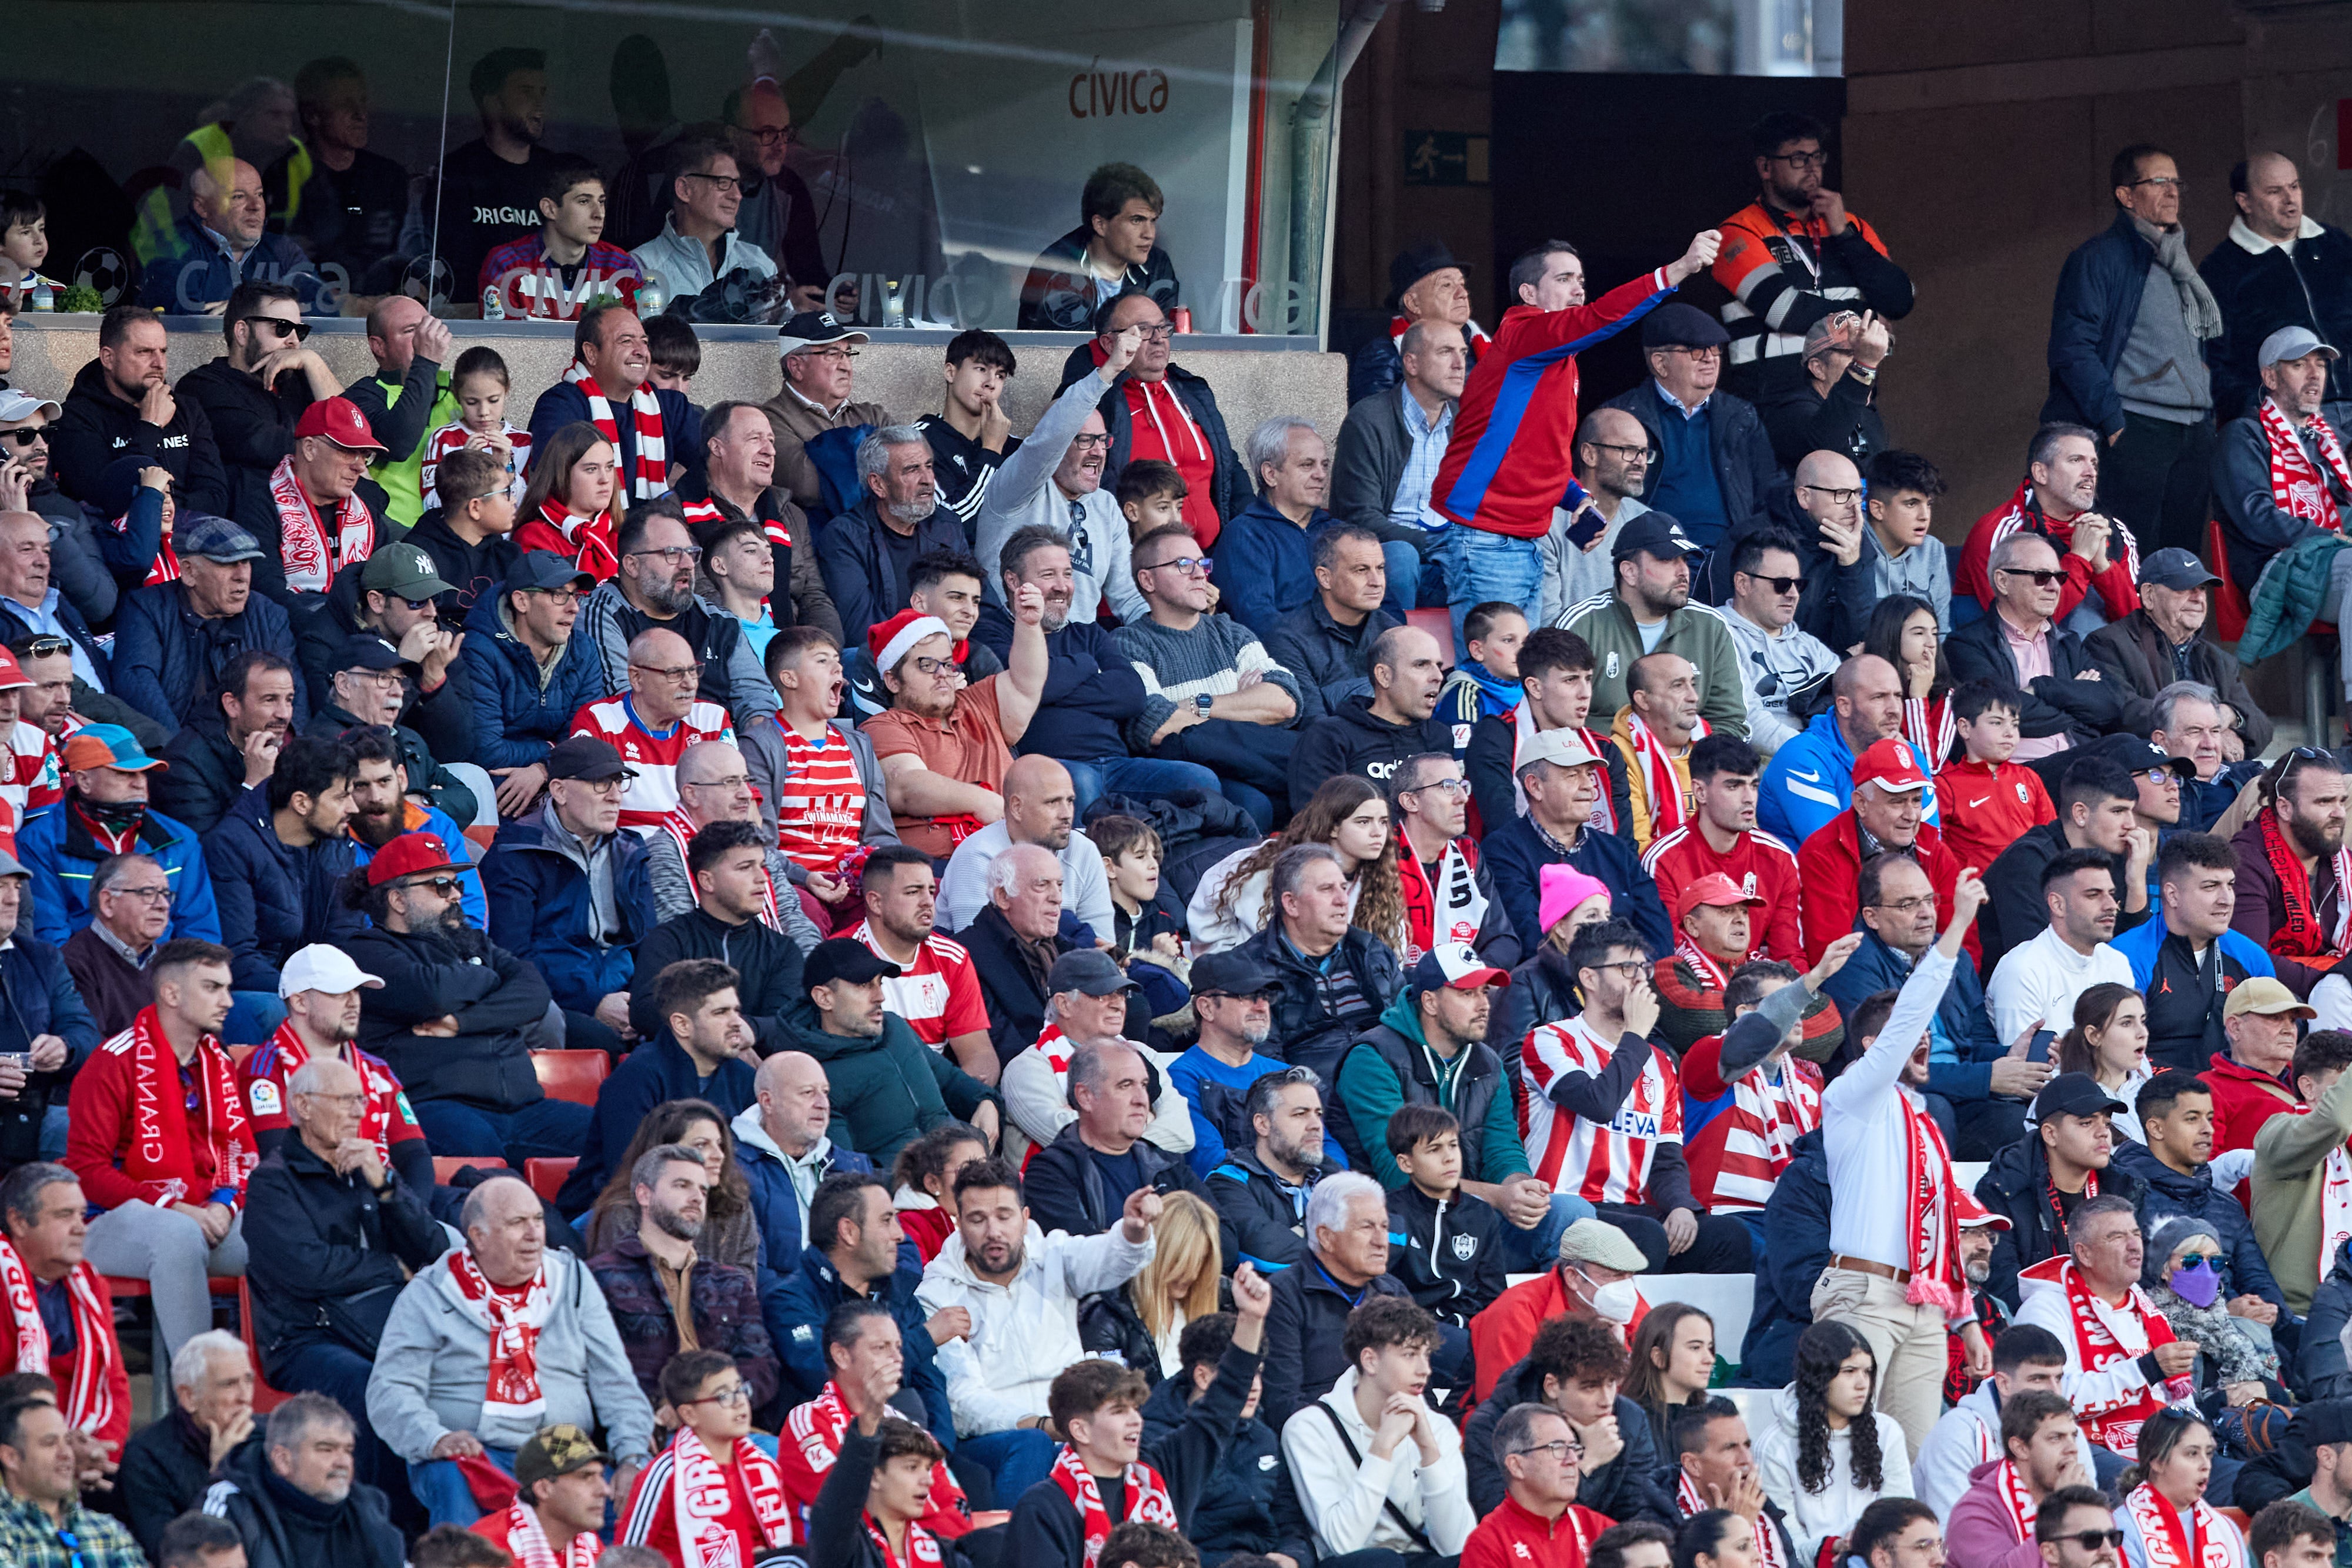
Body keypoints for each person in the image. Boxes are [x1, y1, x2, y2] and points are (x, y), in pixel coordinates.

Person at [1431, 230, 1720, 651]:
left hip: (1519, 536)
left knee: (1520, 673)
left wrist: (1574, 497)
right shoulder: (1523, 334)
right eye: (1564, 278)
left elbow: (1533, 449)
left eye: (1581, 279)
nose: (1578, 288)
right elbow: (1599, 318)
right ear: (1529, 293)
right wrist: (1677, 271)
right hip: (1487, 534)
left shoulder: (1558, 359)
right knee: (1490, 677)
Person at [1816, 866, 1993, 1457]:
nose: (1921, 1044)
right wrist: (1960, 920)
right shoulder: (1854, 1095)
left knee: (1909, 1463)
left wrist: (1963, 1318)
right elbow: (1912, 1015)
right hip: (1862, 1294)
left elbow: (1941, 1228)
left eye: (1923, 1039)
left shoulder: (1924, 1120)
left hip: (1923, 1309)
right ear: (1873, 1049)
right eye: (1907, 1038)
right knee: (1840, 1452)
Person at [366, 1172, 654, 1527]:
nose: (535, 1234)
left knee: (629, 1505)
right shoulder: (431, 1291)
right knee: (454, 1483)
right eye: (518, 1223)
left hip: (559, 1446)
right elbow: (389, 1389)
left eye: (537, 1220)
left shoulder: (573, 1279)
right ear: (478, 1236)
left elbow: (616, 1382)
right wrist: (435, 1438)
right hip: (475, 1449)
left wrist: (631, 1457)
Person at [1000, 1258, 1271, 1568]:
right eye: (1118, 1411)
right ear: (1080, 1430)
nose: (1135, 1420)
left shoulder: (1163, 1470)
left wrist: (1250, 1318)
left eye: (1135, 1409)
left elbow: (1221, 1406)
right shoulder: (1043, 1507)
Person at [916, 1156, 1154, 1501]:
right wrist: (1043, 1425)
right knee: (1034, 1446)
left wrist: (1133, 1232)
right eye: (978, 1220)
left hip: (1073, 1424)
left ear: (1025, 1219)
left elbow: (1109, 1259)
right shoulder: (937, 1294)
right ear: (959, 1225)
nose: (993, 1232)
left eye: (1004, 1216)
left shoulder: (1053, 1255)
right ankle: (1015, 1548)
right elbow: (964, 1404)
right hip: (998, 1442)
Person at [64, 937, 252, 1363]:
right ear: (171, 993)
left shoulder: (218, 1063)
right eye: (212, 987)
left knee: (279, 1234)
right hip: (107, 1221)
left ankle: (277, 1381)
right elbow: (87, 1169)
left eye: (227, 987)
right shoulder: (111, 1061)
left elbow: (236, 1153)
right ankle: (203, 1391)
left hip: (206, 1214)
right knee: (177, 1233)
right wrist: (175, 1207)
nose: (228, 1001)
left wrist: (225, 1203)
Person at [341, 829, 575, 1166]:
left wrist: (460, 1022)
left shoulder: (474, 942)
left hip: (524, 1108)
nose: (455, 896)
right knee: (480, 1159)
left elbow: (534, 992)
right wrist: (489, 977)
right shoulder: (367, 952)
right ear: (398, 900)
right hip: (440, 1107)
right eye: (440, 885)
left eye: (457, 885)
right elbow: (431, 992)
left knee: (617, 1136)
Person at [1335, 941, 1573, 1266]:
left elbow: (1502, 1148)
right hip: (1395, 1225)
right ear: (1430, 1002)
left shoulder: (1488, 1063)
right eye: (1467, 993)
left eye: (1485, 993)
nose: (1483, 1004)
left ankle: (1542, 1314)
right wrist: (1497, 1198)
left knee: (1573, 1215)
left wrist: (1520, 1190)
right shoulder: (1373, 1058)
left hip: (1467, 1214)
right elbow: (1398, 1175)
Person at [2044, 145, 2223, 557]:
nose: (2172, 191)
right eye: (2158, 181)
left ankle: (2176, 627)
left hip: (2193, 430)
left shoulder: (2181, 263)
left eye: (2176, 182)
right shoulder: (2099, 259)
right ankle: (2133, 626)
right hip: (2138, 426)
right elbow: (2072, 348)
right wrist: (2113, 421)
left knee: (2181, 562)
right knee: (2134, 557)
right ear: (2126, 196)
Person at [1709, 111, 1915, 403]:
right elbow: (1784, 310)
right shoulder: (1738, 232)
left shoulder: (1850, 225)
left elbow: (1899, 300)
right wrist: (1866, 317)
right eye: (1798, 159)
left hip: (1850, 390)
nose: (1812, 169)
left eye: (1817, 158)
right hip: (1773, 397)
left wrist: (1843, 233)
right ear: (1765, 167)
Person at [1113, 524, 1305, 831]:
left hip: (1256, 764)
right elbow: (1155, 726)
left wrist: (1196, 704)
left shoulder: (1230, 632)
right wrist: (1244, 707)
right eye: (1184, 565)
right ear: (1148, 580)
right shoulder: (1128, 644)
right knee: (1259, 803)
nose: (1200, 574)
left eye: (1203, 564)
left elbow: (1286, 702)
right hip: (1196, 775)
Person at [479, 735, 654, 1056]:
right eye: (601, 784)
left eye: (619, 783)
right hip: (560, 1001)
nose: (616, 797)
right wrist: (594, 1002)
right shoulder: (515, 854)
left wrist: (642, 1002)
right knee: (610, 1044)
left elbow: (649, 945)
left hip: (628, 996)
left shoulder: (631, 850)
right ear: (559, 791)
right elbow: (513, 956)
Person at [1279, 1293, 1475, 1563]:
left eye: (1427, 1355)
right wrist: (1382, 1447)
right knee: (1383, 1562)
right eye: (1409, 1355)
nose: (1425, 1370)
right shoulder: (1309, 1428)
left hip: (1417, 1557)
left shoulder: (1438, 1429)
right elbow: (1342, 1542)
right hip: (1354, 1563)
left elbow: (1457, 1545)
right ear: (1370, 1360)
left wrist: (1429, 1453)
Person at [589, 1141, 778, 1420]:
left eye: (703, 1189)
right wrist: (658, 1414)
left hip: (727, 1428)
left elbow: (762, 1366)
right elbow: (597, 1371)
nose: (697, 1197)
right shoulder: (600, 1277)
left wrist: (720, 1403)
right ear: (644, 1194)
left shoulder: (731, 1283)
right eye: (682, 1186)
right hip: (646, 1432)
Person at [864, 584, 1050, 862]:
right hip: (939, 870)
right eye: (927, 665)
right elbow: (906, 787)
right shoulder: (883, 726)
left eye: (948, 664)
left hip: (1014, 859)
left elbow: (1026, 684)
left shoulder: (977, 702)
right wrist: (985, 802)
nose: (942, 675)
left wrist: (1029, 625)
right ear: (892, 680)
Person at [974, 336, 1149, 630]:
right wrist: (1108, 371)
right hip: (1013, 637)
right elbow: (1048, 439)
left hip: (1081, 644)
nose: (1098, 451)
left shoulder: (1105, 506)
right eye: (1084, 440)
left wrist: (1170, 632)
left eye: (1103, 440)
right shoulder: (1016, 490)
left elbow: (1129, 597)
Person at [2006, 1192, 2192, 1462]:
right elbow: (2052, 1399)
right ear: (2085, 1253)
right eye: (2116, 1237)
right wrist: (2146, 1369)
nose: (2134, 1246)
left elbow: (2178, 1394)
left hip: (2164, 1445)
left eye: (2136, 1234)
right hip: (2083, 1449)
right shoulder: (2045, 1309)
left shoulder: (2145, 1305)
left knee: (2242, 1480)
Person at [1061, 292, 1251, 550]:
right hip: (1136, 562)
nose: (1159, 338)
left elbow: (1229, 467)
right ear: (1109, 343)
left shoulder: (1192, 391)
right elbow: (1060, 429)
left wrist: (1242, 540)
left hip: (1210, 558)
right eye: (1143, 331)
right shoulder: (1102, 401)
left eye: (1163, 328)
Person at [203, 734, 362, 1037]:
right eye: (341, 797)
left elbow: (345, 939)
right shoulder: (231, 846)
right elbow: (237, 957)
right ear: (302, 802)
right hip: (253, 995)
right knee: (274, 1010)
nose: (353, 808)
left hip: (311, 991)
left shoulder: (338, 845)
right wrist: (309, 996)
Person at [576, 498, 779, 727]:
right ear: (632, 565)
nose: (687, 565)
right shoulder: (601, 614)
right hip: (646, 751)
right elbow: (625, 705)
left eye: (691, 553)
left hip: (728, 750)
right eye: (672, 554)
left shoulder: (719, 620)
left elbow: (757, 699)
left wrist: (756, 746)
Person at [1599, 303, 1779, 560]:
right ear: (1660, 363)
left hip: (1727, 561)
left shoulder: (1741, 416)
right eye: (1696, 350)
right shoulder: (1621, 418)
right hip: (1650, 559)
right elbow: (1599, 497)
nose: (1710, 358)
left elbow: (1767, 495)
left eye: (1715, 348)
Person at [1462, 1309, 1675, 1522]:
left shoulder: (1630, 1419)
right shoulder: (1491, 1426)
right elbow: (1505, 1522)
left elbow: (1640, 1516)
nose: (1607, 1400)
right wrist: (1587, 1463)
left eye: (1611, 1383)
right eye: (1590, 1388)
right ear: (1552, 1386)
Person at [1488, 728, 1673, 957]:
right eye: (1573, 775)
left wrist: (1637, 973)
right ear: (1535, 786)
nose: (1589, 785)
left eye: (1589, 774)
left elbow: (1658, 932)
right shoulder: (1503, 851)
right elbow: (1532, 938)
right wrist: (1606, 975)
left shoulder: (1615, 851)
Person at [1559, 513, 1746, 739]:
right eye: (1668, 560)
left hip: (1687, 767)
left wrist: (1683, 760)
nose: (1683, 572)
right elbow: (1551, 717)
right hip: (1600, 765)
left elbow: (1730, 721)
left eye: (1685, 560)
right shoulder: (1582, 624)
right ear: (1630, 572)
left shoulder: (1710, 626)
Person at [1946, 532, 2126, 765]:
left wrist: (2041, 688)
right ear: (2003, 581)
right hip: (2016, 774)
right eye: (2041, 577)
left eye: (2059, 577)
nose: (2054, 587)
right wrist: (2077, 705)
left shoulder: (2068, 643)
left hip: (2078, 764)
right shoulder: (1966, 645)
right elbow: (1998, 715)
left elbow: (2110, 706)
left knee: (2134, 750)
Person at [2201, 152, 2352, 424]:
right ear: (2244, 202)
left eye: (2294, 187)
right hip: (2289, 421)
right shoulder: (2221, 270)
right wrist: (2262, 410)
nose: (2290, 199)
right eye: (2274, 191)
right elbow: (2213, 363)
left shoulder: (2336, 246)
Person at [0, 1162, 129, 1479]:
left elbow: (115, 1383)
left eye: (82, 1215)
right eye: (64, 1216)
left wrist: (100, 1451)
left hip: (81, 1453)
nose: (81, 1227)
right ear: (19, 1221)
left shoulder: (91, 1282)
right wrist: (52, 1452)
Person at [675, 400, 840, 644]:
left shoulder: (791, 515)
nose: (770, 451)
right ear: (717, 447)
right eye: (755, 439)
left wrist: (823, 650)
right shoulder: (675, 513)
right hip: (726, 649)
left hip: (794, 654)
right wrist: (764, 652)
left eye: (771, 441)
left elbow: (813, 596)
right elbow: (698, 594)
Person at [1973, 1071, 2144, 1306]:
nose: (2104, 1132)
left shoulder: (2125, 1187)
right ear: (2051, 1135)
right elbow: (2003, 1285)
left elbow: (2141, 1276)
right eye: (2087, 1123)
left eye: (2106, 1122)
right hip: (2038, 1321)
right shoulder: (2004, 1189)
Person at [1752, 1322, 1915, 1566]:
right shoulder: (1776, 1446)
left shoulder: (1887, 1431)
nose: (1862, 1384)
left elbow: (1901, 1512)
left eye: (1867, 1372)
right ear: (1818, 1377)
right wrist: (1834, 1548)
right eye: (1849, 1371)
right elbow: (1782, 1540)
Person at [1334, 320, 1465, 626]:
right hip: (1388, 555)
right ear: (1412, 363)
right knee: (1402, 558)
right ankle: (1396, 657)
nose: (1460, 364)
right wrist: (1435, 544)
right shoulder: (1369, 419)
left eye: (1462, 352)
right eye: (1446, 352)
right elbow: (1359, 517)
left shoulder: (1466, 421)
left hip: (1448, 556)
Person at [2112, 834, 2277, 1072]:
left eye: (2230, 885)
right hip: (2152, 1094)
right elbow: (2118, 1055)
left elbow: (2269, 1044)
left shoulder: (2251, 958)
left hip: (2231, 1092)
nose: (2226, 900)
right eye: (2211, 887)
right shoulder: (2126, 956)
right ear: (2172, 895)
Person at [176, 280, 342, 516]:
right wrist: (336, 452)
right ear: (243, 332)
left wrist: (315, 363)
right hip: (250, 522)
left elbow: (354, 431)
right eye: (282, 328)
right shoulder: (203, 386)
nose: (294, 341)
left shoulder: (301, 379)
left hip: (320, 516)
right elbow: (263, 445)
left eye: (300, 331)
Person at [1957, 425, 2141, 637]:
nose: (2091, 473)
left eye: (2094, 463)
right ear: (2041, 473)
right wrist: (2080, 559)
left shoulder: (2113, 531)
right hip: (2000, 655)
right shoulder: (2001, 531)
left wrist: (2102, 567)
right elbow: (2016, 625)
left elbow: (2137, 629)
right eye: (2075, 460)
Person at [51, 306, 229, 516]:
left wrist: (164, 508)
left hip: (193, 524)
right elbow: (105, 499)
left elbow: (217, 496)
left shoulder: (186, 409)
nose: (159, 363)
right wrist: (150, 427)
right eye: (144, 352)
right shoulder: (77, 418)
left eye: (163, 351)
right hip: (121, 536)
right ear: (108, 358)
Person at [2084, 552, 2269, 754]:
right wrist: (2211, 728)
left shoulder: (2219, 660)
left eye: (2202, 589)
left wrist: (2232, 716)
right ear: (2149, 595)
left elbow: (2262, 727)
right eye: (2184, 588)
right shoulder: (2109, 643)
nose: (2198, 598)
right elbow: (2123, 713)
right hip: (2146, 771)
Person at [1979, 757, 2149, 969]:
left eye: (2132, 811)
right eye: (2118, 811)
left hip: (2092, 988)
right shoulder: (2027, 862)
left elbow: (2136, 956)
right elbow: (2033, 959)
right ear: (2081, 814)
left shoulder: (2112, 858)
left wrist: (2136, 883)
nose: (2131, 824)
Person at [1466, 626, 1635, 840]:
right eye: (1570, 680)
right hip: (1515, 868)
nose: (1585, 694)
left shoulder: (1605, 750)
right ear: (1535, 688)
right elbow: (1501, 824)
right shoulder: (1494, 738)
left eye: (1588, 679)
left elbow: (1624, 846)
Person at [1643, 734, 1802, 961]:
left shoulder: (1779, 857)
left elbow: (1789, 955)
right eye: (1734, 786)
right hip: (1687, 987)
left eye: (1754, 786)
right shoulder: (1662, 860)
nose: (1749, 799)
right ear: (1700, 792)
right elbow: (1668, 956)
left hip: (1755, 986)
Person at [524, 306, 697, 514]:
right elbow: (559, 482)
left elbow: (719, 460)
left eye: (644, 342)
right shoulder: (560, 405)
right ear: (591, 353)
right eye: (626, 341)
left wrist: (681, 496)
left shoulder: (668, 405)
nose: (641, 351)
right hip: (585, 537)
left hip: (652, 533)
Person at [1913, 1325, 2095, 1519]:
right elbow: (1953, 1531)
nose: (2054, 1391)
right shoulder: (1958, 1433)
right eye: (2038, 1379)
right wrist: (2063, 1508)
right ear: (2004, 1384)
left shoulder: (2068, 1432)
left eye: (2058, 1379)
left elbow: (2092, 1521)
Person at [118, 1332, 265, 1557]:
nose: (245, 1397)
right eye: (229, 1385)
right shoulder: (147, 1457)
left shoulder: (266, 1438)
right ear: (189, 1397)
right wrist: (219, 1477)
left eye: (248, 1380)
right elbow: (169, 1554)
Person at [1286, 624, 1463, 811]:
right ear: (1384, 676)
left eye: (1439, 666)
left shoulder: (1439, 737)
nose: (1438, 677)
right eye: (1421, 665)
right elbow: (1317, 823)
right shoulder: (1330, 737)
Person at [939, 755, 1112, 937]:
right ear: (1017, 807)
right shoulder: (977, 856)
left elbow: (1102, 943)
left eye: (1069, 801)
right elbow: (976, 948)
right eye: (1052, 803)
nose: (1066, 814)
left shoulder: (1084, 850)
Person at [1986, 852, 2139, 1048]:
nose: (2111, 906)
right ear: (2058, 905)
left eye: (2111, 894)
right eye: (2093, 895)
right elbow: (2027, 1070)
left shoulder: (2117, 962)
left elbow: (2131, 1051)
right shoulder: (2021, 970)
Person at [2233, 748, 2352, 998]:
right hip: (2272, 1002)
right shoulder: (2246, 861)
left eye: (2341, 801)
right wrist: (2333, 983)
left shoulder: (2346, 865)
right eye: (2324, 802)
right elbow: (2251, 960)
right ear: (2285, 808)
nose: (2340, 813)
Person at [2248, 1029, 2352, 1313]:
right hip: (2298, 1314)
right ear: (2307, 1087)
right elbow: (2336, 1119)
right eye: (2342, 1087)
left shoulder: (2347, 1148)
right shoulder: (2276, 1132)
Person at [476, 156, 643, 322]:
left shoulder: (620, 265)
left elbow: (638, 342)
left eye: (601, 202)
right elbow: (503, 344)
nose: (599, 214)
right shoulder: (507, 264)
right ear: (550, 209)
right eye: (584, 202)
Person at [1021, 163, 1182, 332]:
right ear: (1100, 225)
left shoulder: (1157, 265)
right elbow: (1066, 354)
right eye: (1136, 220)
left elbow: (1160, 341)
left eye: (1153, 221)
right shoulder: (1058, 269)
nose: (1149, 234)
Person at [1265, 524, 1402, 720]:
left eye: (1380, 569)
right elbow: (1312, 720)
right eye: (1361, 570)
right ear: (1325, 578)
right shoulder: (1288, 638)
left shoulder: (1394, 633)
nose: (1376, 581)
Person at [1462, 1401, 1621, 1568]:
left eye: (1574, 1448)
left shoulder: (1599, 1530)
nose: (1573, 1460)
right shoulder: (1489, 1544)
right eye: (1558, 1448)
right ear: (1517, 1466)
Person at [1722, 531, 1840, 755]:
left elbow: (1848, 705)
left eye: (1799, 584)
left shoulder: (1811, 647)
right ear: (1743, 584)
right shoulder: (1717, 635)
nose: (1794, 594)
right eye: (1782, 584)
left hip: (1822, 760)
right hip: (1757, 767)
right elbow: (1747, 718)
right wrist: (1815, 754)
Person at [762, 310, 891, 514]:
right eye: (833, 354)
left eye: (848, 354)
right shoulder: (769, 420)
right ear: (796, 367)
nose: (847, 367)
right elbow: (807, 485)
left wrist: (830, 454)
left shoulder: (874, 415)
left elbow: (911, 468)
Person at [626, 138, 773, 309]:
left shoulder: (759, 263)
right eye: (723, 183)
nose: (737, 196)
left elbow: (786, 334)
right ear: (684, 190)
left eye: (737, 184)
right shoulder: (640, 266)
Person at [0, 1395, 146, 1564]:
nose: (66, 1453)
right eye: (50, 1443)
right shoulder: (5, 1530)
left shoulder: (107, 1530)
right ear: (11, 1458)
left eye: (68, 1441)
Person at [1759, 311, 1893, 471]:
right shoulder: (1791, 411)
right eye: (1853, 353)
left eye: (1870, 352)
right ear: (1818, 368)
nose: (1871, 362)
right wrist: (1863, 366)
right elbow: (1823, 449)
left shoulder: (1866, 410)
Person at [2112, 1409, 2245, 1568]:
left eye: (2209, 1454)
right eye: (2192, 1454)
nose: (2206, 1465)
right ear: (2158, 1461)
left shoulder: (2226, 1529)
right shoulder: (2123, 1527)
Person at [467, 1423, 614, 1567]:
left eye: (601, 1476)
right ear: (543, 1489)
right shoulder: (486, 1550)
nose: (605, 1490)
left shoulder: (588, 1543)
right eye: (585, 1477)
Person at [1609, 651, 1713, 852]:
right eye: (1678, 686)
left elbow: (1745, 832)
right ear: (1644, 700)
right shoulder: (1619, 755)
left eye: (1693, 684)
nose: (1694, 696)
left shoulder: (1712, 745)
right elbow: (1638, 847)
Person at [918, 330, 1018, 531]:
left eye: (1000, 375)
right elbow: (943, 526)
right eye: (981, 369)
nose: (991, 383)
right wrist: (991, 452)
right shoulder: (918, 441)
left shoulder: (1016, 447)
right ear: (951, 372)